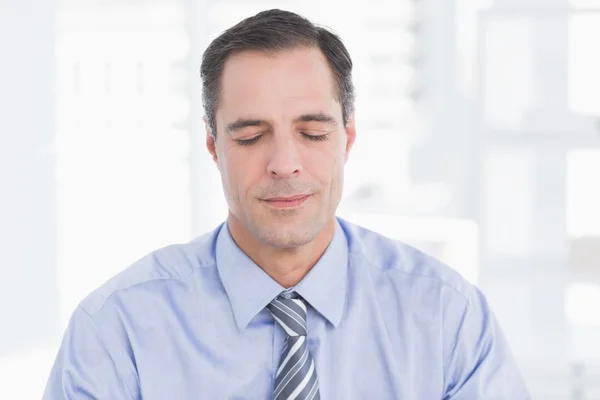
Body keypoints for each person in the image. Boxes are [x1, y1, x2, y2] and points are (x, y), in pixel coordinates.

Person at [43, 9, 530, 400]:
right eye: (252, 137)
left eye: (312, 132)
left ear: (347, 138)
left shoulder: (447, 318)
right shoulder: (116, 330)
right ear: (214, 149)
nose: (284, 163)